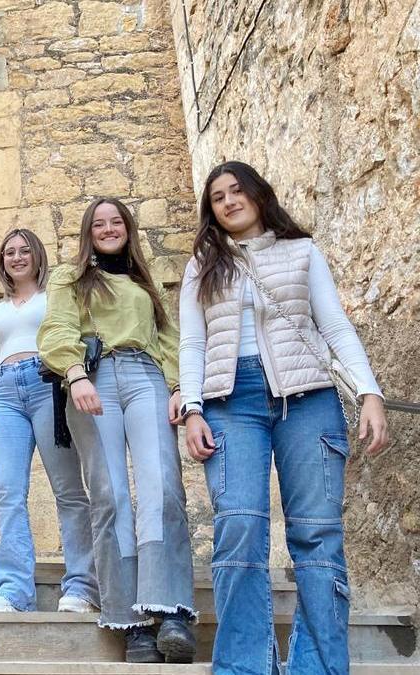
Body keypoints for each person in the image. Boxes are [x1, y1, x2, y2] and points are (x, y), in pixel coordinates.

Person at [179, 161, 389, 674]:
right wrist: (191, 409)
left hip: (309, 398)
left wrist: (370, 392)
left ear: (257, 194)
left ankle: (319, 667)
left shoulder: (303, 251)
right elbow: (193, 341)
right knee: (240, 531)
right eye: (217, 197)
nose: (228, 201)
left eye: (236, 191)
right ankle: (244, 666)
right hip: (231, 402)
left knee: (317, 534)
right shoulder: (202, 264)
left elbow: (334, 326)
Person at [37, 198, 197, 664]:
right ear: (89, 232)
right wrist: (75, 373)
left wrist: (178, 386)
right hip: (95, 375)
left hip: (146, 374)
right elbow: (57, 328)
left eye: (117, 222)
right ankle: (131, 624)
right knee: (110, 497)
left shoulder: (144, 283)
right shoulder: (70, 277)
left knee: (163, 487)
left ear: (128, 229)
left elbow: (169, 338)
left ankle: (169, 612)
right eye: (99, 223)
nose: (109, 229)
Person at [0, 228, 98, 612]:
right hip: (6, 394)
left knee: (68, 489)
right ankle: (14, 589)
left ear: (37, 255)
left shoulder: (54, 299)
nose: (16, 257)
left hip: (49, 385)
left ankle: (81, 585)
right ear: (3, 261)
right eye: (9, 252)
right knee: (9, 492)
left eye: (24, 250)